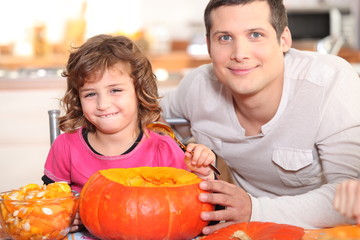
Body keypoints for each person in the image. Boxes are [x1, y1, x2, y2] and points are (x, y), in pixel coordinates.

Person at [160, 0, 360, 234]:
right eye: (224, 37)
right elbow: (150, 121)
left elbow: (351, 195)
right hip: (247, 231)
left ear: (284, 40)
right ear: (208, 45)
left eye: (255, 35)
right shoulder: (198, 87)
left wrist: (255, 209)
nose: (239, 54)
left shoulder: (331, 82)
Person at [41, 34, 216, 231]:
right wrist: (62, 215)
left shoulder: (164, 149)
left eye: (115, 90)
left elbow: (194, 210)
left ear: (139, 92)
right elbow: (49, 206)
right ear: (78, 99)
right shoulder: (65, 147)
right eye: (90, 94)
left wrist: (204, 174)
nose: (103, 104)